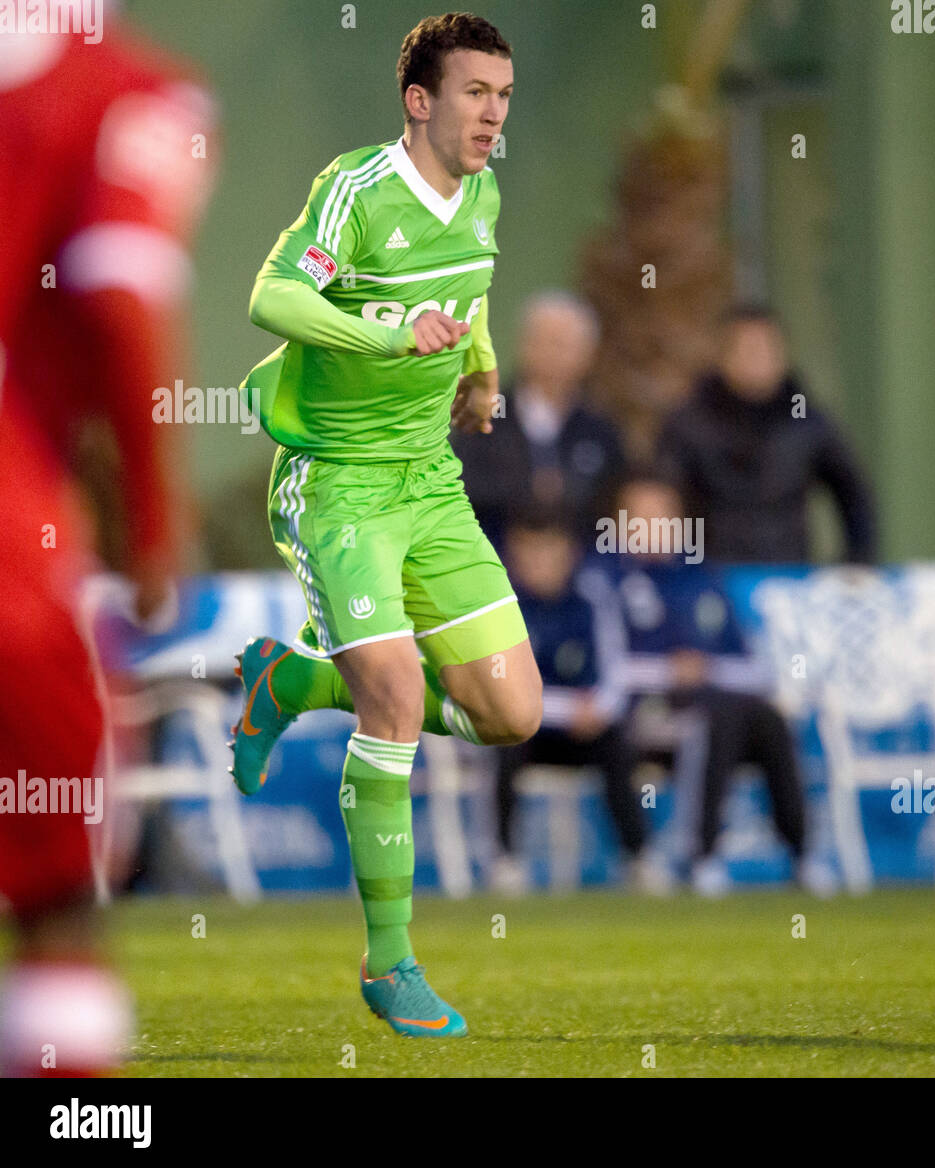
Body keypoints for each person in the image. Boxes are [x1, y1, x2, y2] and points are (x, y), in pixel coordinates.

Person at [230, 13, 541, 1039]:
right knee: (399, 703)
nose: (493, 111)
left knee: (512, 715)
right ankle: (390, 961)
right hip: (339, 486)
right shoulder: (359, 191)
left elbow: (472, 284)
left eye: (502, 91)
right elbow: (272, 296)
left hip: (429, 483)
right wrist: (387, 331)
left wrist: (480, 362)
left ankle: (294, 679)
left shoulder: (484, 188)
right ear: (420, 101)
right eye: (474, 93)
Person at [0, 8, 215, 1075]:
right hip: (11, 532)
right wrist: (150, 520)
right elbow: (123, 297)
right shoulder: (128, 94)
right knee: (55, 923)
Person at [594, 469, 836, 897]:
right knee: (715, 721)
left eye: (662, 514)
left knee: (769, 720)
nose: (652, 526)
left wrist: (706, 668)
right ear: (616, 523)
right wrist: (670, 671)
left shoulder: (703, 578)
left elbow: (753, 669)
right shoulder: (604, 581)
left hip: (718, 708)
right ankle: (701, 855)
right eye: (639, 516)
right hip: (644, 714)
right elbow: (605, 666)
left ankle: (801, 855)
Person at [491, 506, 671, 895]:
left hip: (583, 731)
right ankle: (505, 861)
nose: (539, 564)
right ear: (511, 555)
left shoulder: (593, 600)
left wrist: (598, 710)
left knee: (617, 745)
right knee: (503, 741)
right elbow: (503, 686)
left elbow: (616, 673)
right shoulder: (497, 606)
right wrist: (568, 709)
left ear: (569, 554)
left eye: (548, 552)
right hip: (527, 729)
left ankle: (639, 858)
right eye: (529, 553)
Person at [657, 304, 875, 563]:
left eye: (767, 348)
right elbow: (662, 496)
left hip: (786, 574)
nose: (758, 359)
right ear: (724, 355)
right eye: (747, 349)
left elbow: (852, 492)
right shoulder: (690, 423)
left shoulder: (805, 421)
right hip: (713, 575)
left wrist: (857, 559)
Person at [454, 291, 625, 548]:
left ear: (588, 354)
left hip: (580, 565)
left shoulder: (600, 428)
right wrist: (528, 490)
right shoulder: (484, 416)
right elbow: (461, 488)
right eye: (541, 341)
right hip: (493, 554)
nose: (550, 354)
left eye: (562, 344)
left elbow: (612, 500)